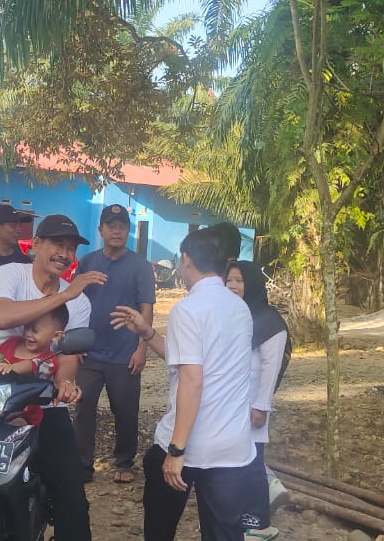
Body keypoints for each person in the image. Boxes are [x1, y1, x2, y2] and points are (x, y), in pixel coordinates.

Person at [112, 227, 268, 541]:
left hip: (190, 444)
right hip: (231, 446)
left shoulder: (188, 309)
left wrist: (176, 450)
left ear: (185, 259)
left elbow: (192, 380)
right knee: (224, 533)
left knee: (160, 530)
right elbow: (190, 359)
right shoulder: (239, 307)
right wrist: (147, 333)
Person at [0, 214, 105, 540]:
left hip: (44, 401)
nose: (65, 254)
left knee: (72, 498)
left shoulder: (80, 302)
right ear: (36, 244)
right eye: (58, 244)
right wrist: (64, 296)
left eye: (71, 248)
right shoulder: (12, 274)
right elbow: (1, 316)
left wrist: (66, 384)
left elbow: (67, 355)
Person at [75, 204, 156, 484]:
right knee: (83, 409)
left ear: (128, 231)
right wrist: (75, 343)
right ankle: (83, 466)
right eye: (111, 225)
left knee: (125, 410)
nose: (117, 230)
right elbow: (75, 303)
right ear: (101, 230)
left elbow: (146, 308)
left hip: (124, 353)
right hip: (89, 352)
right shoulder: (87, 263)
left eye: (122, 226)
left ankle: (124, 462)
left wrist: (142, 348)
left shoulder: (140, 266)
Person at [225, 260, 291, 541]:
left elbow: (270, 368)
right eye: (229, 280)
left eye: (239, 281)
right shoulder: (233, 316)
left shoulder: (269, 322)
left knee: (252, 463)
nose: (233, 286)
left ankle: (259, 524)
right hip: (230, 403)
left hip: (253, 404)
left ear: (251, 284)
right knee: (234, 463)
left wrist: (261, 406)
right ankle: (239, 518)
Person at [0, 304, 70, 379]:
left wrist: (12, 368)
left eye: (35, 330)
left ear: (56, 336)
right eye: (26, 327)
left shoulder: (49, 361)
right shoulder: (12, 342)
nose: (28, 333)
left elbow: (32, 365)